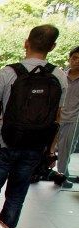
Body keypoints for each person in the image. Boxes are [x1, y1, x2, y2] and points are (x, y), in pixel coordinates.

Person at [0, 24, 67, 228]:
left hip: (5, 143)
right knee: (17, 193)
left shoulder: (9, 72)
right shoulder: (59, 76)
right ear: (52, 46)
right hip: (35, 146)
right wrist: (51, 150)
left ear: (27, 42)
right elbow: (58, 118)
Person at [55, 46, 79, 188]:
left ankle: (62, 176)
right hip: (55, 118)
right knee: (46, 148)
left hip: (73, 120)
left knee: (66, 149)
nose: (76, 62)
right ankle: (38, 172)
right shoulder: (60, 76)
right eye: (74, 58)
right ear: (69, 59)